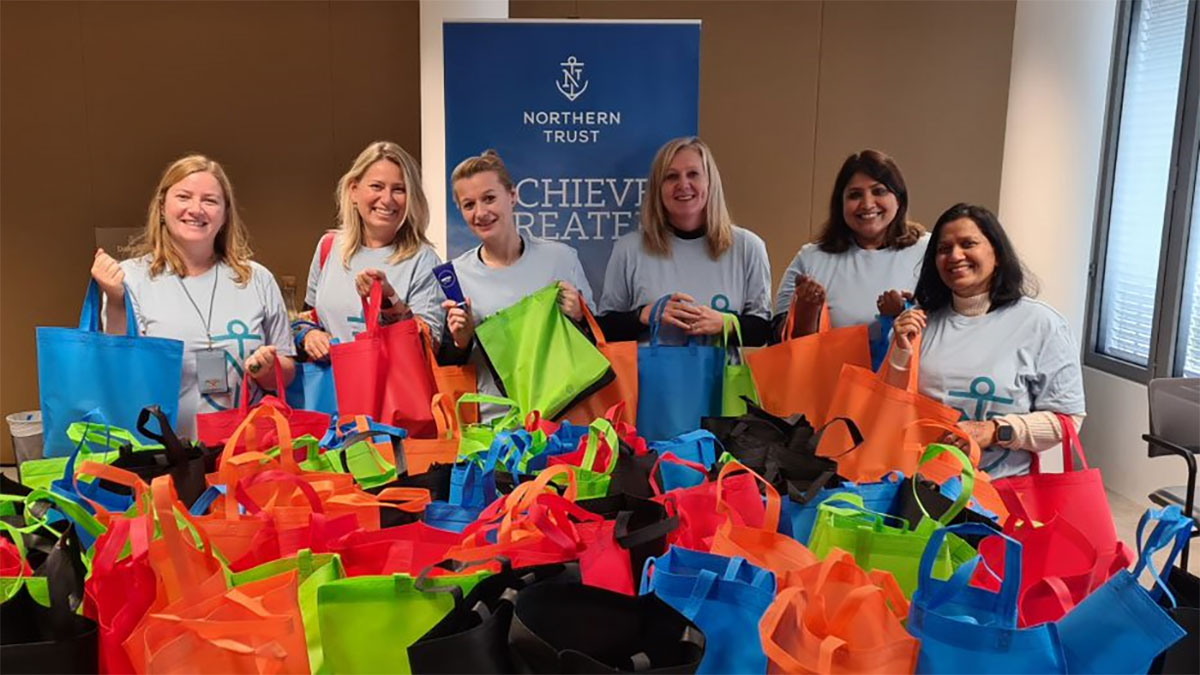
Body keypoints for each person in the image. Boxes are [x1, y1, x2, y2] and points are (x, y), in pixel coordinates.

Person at [90, 154, 295, 436]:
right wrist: (115, 301)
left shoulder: (257, 279)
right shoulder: (131, 279)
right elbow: (119, 372)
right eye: (184, 197)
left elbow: (285, 374)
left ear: (225, 214)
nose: (196, 209)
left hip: (246, 454)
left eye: (210, 201)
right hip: (164, 454)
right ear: (162, 207)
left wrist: (268, 369)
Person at [886, 203, 1085, 478]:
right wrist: (900, 352)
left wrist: (995, 431)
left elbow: (1067, 421)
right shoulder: (918, 323)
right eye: (944, 249)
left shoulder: (1042, 324)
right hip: (923, 488)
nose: (955, 256)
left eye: (968, 244)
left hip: (1006, 491)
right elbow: (889, 411)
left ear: (998, 254)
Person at [441, 150, 591, 419]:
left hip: (561, 420)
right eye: (469, 204)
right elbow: (449, 365)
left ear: (512, 196)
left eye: (489, 198)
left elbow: (594, 344)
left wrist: (580, 317)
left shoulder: (560, 258)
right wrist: (460, 342)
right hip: (493, 429)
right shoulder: (456, 276)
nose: (481, 212)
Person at [597, 137, 772, 345]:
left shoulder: (748, 247)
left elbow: (764, 332)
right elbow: (604, 330)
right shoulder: (628, 249)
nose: (683, 184)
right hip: (649, 376)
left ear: (710, 182)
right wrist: (643, 316)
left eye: (693, 174)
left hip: (722, 376)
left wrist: (725, 323)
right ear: (658, 189)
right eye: (671, 177)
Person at [773, 150, 929, 364]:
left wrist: (902, 313)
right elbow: (778, 343)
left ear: (899, 198)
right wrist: (806, 313)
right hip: (829, 392)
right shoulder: (811, 258)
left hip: (903, 392)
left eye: (879, 191)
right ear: (840, 204)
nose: (867, 204)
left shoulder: (928, 251)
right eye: (855, 195)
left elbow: (949, 324)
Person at [295, 141, 443, 361]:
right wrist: (309, 334)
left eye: (399, 189)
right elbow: (307, 318)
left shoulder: (424, 260)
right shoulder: (328, 247)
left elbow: (427, 349)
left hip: (393, 392)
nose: (387, 199)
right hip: (330, 389)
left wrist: (389, 300)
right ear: (354, 190)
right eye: (377, 186)